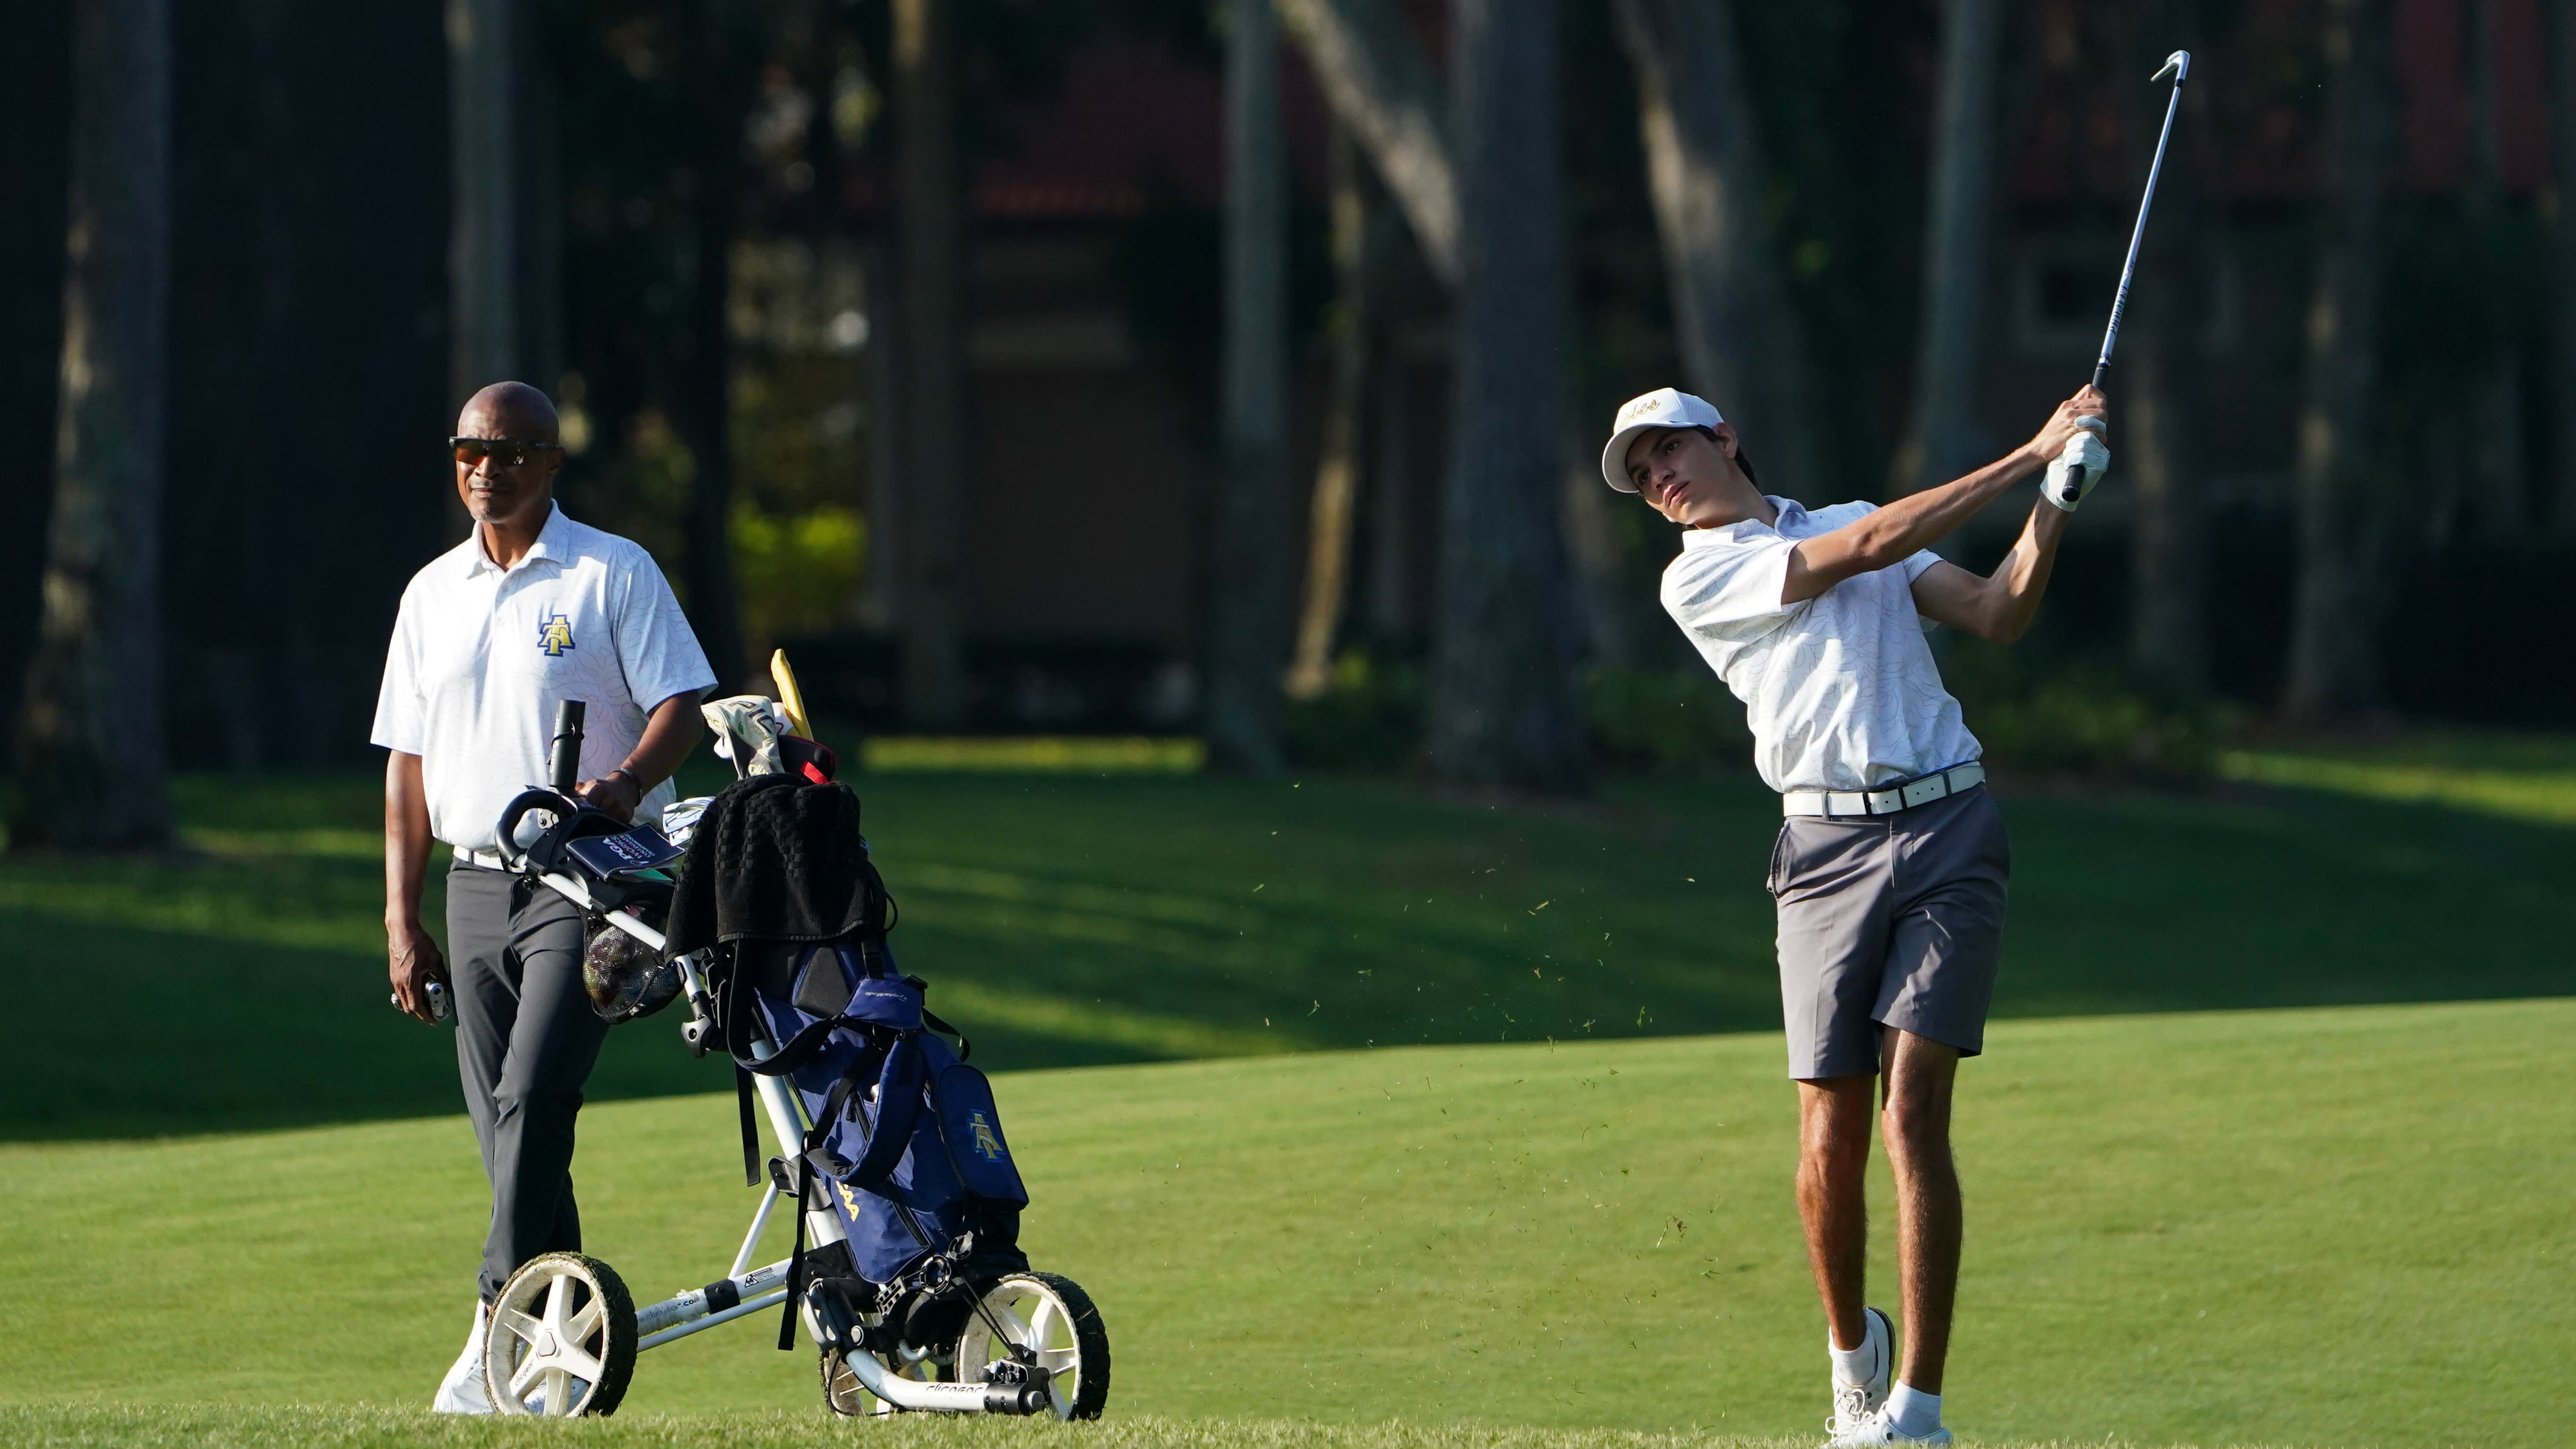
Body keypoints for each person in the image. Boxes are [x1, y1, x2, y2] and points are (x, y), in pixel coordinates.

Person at [1600, 384, 2109, 1448]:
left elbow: (1997, 611)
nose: (1659, 479)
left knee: (1913, 1106)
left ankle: (1917, 1412)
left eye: (1668, 452)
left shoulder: (1839, 519)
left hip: (1948, 831)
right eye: (1641, 473)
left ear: (1723, 437)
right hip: (1823, 853)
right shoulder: (1698, 579)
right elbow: (1876, 543)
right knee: (1829, 1128)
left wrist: (2058, 498)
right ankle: (1849, 1369)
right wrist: (2029, 451)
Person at [373, 381, 716, 1414]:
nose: (490, 468)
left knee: (531, 1100)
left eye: (515, 452)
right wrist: (401, 919)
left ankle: (494, 1327)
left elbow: (685, 709)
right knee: (507, 1132)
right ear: (456, 458)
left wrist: (620, 785)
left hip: (594, 883)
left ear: (551, 463)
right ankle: (556, 1353)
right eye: (472, 450)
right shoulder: (431, 593)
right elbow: (407, 771)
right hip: (475, 885)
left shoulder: (612, 571)